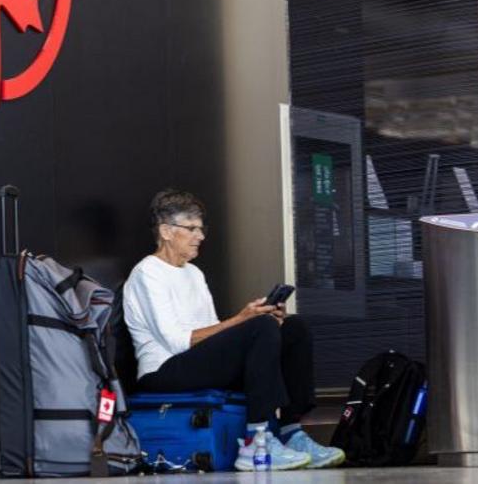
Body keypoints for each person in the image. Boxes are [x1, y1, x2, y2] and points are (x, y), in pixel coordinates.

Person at [122, 189, 345, 471]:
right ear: (166, 231)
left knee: (292, 328)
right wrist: (243, 319)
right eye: (191, 229)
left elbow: (213, 331)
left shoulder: (194, 273)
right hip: (162, 371)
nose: (200, 236)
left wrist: (261, 322)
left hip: (193, 363)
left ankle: (291, 432)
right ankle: (256, 442)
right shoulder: (147, 273)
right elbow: (178, 341)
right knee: (259, 326)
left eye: (201, 229)